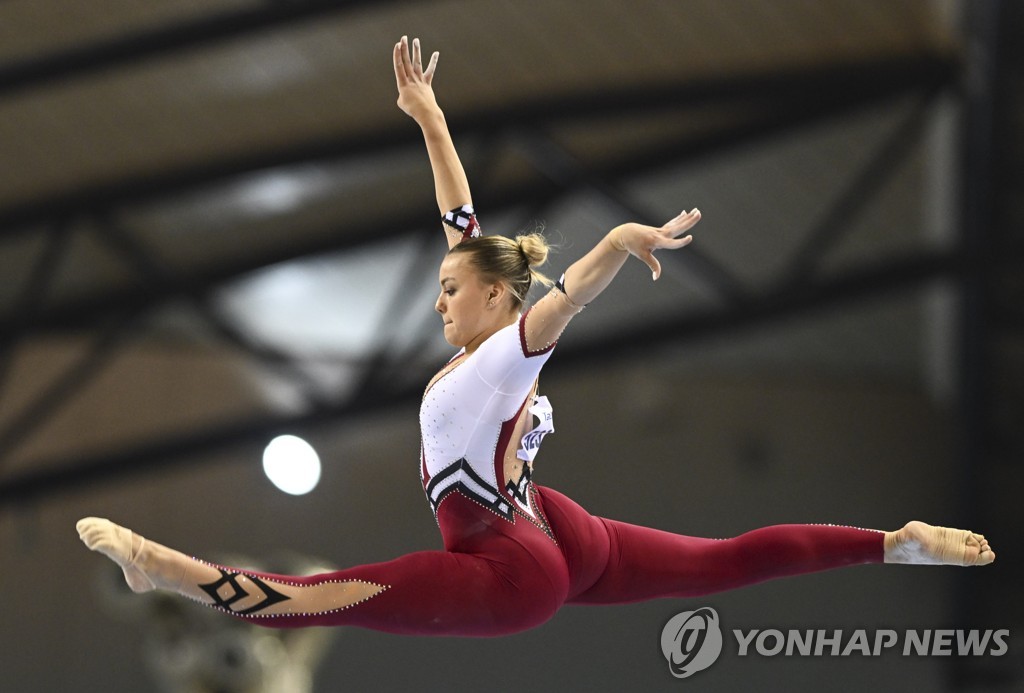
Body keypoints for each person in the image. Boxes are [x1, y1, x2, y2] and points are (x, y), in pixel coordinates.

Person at [77, 36, 995, 637]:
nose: (438, 304)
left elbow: (556, 310)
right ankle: (889, 541)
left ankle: (166, 570)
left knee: (325, 594)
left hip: (510, 565)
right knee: (720, 559)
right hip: (554, 527)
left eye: (448, 293)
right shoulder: (485, 342)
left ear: (489, 302)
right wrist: (433, 122)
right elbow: (463, 224)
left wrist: (613, 243)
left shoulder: (486, 368)